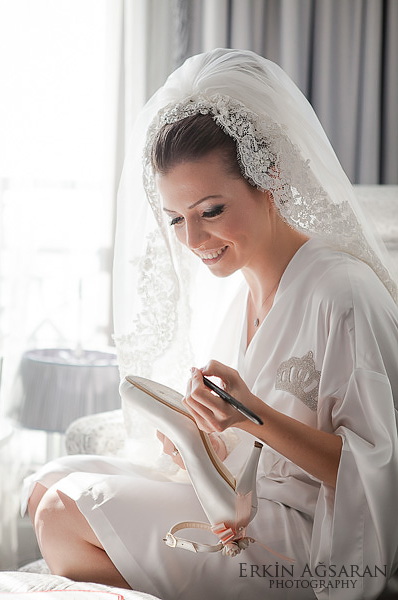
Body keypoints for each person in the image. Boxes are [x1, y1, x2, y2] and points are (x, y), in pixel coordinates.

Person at [23, 49, 398, 600]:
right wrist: (201, 442)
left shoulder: (341, 293)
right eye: (177, 219)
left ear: (268, 177)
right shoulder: (242, 288)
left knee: (61, 514)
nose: (194, 241)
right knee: (44, 484)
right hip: (244, 505)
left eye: (211, 211)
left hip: (310, 532)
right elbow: (244, 449)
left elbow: (379, 478)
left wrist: (250, 417)